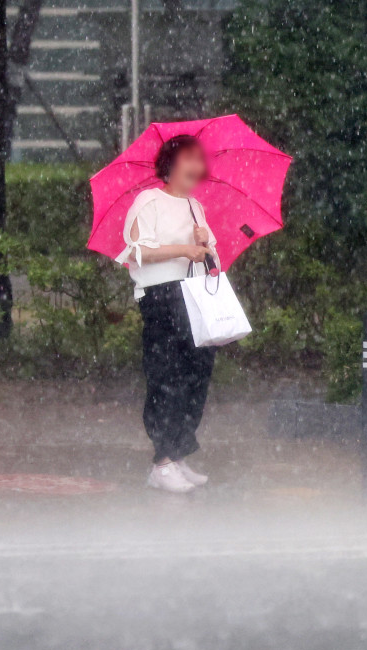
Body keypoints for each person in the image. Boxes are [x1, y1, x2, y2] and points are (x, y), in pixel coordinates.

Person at [116, 134, 219, 493]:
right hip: (161, 299)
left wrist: (204, 245)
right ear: (170, 164)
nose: (196, 166)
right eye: (189, 158)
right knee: (166, 377)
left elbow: (211, 261)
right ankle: (161, 463)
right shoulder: (149, 201)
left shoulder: (196, 207)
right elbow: (136, 252)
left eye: (199, 159)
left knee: (197, 374)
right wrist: (184, 249)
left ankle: (176, 454)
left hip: (194, 298)